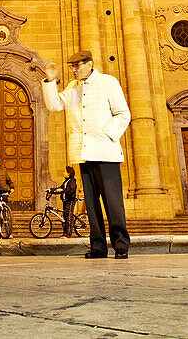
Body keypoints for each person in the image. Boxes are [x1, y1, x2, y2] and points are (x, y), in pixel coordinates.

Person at [43, 50, 132, 259]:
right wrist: (49, 81)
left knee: (113, 202)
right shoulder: (72, 88)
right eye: (71, 66)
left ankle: (121, 244)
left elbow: (123, 114)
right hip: (84, 153)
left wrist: (107, 135)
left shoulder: (108, 82)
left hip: (106, 152)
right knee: (91, 204)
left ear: (89, 64)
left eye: (77, 66)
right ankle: (98, 246)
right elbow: (55, 105)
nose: (73, 70)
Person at [60, 166, 78, 237]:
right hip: (65, 201)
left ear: (69, 173)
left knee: (69, 217)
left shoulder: (72, 181)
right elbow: (60, 188)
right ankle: (65, 232)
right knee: (65, 216)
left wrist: (63, 190)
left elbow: (71, 190)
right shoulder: (66, 181)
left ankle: (68, 233)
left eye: (64, 171)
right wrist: (51, 190)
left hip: (70, 201)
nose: (63, 173)